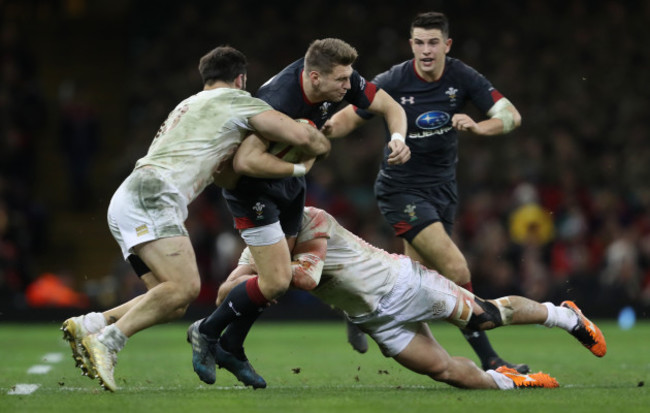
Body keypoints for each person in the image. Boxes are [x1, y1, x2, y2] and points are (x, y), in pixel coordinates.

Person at [60, 45, 331, 392]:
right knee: (185, 287)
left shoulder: (187, 103)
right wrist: (318, 149)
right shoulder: (235, 100)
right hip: (153, 196)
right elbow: (300, 135)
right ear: (241, 79)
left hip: (130, 196)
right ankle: (109, 341)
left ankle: (91, 324)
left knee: (168, 299)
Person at [187, 38, 410, 387]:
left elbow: (390, 105)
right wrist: (299, 170)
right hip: (252, 191)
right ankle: (208, 330)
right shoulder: (277, 100)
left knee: (274, 282)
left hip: (289, 188)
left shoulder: (339, 80)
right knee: (275, 280)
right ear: (315, 77)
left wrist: (398, 138)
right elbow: (245, 161)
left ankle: (231, 344)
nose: (347, 86)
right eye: (340, 80)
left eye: (349, 78)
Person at [324, 11, 527, 372]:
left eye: (433, 42)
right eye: (419, 42)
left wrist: (481, 127)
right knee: (454, 266)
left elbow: (511, 115)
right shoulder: (395, 80)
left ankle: (360, 311)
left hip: (443, 190)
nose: (426, 50)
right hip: (401, 189)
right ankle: (491, 358)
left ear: (447, 45)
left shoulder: (462, 76)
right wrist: (317, 134)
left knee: (414, 283)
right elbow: (349, 116)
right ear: (411, 45)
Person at [212, 206, 606, 390]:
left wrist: (268, 280)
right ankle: (514, 383)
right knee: (446, 372)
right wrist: (255, 281)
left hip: (404, 285)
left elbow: (307, 278)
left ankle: (564, 315)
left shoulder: (312, 219)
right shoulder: (263, 245)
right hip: (376, 320)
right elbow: (224, 294)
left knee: (486, 315)